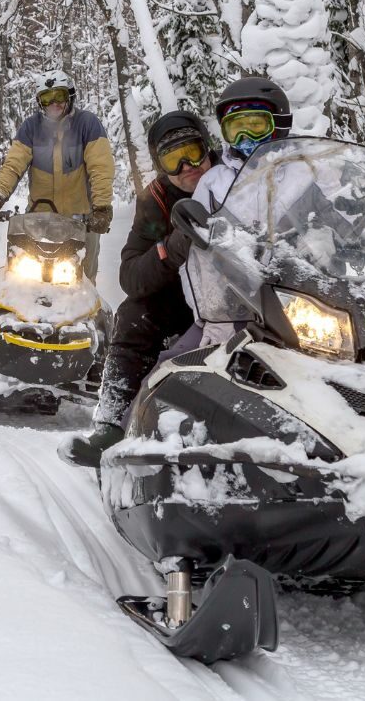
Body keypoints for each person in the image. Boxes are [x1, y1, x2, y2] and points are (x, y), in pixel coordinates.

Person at [62, 110, 218, 467]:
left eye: (193, 151)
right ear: (161, 167)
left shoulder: (235, 179)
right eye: (172, 160)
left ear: (208, 147)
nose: (187, 166)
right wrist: (172, 247)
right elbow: (131, 275)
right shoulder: (157, 199)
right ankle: (112, 424)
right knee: (134, 314)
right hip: (185, 300)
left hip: (247, 293)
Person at [179, 76, 292, 349]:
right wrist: (215, 310)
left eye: (256, 126)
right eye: (236, 128)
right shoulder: (212, 183)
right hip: (234, 311)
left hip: (299, 303)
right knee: (173, 366)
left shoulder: (304, 171)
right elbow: (195, 261)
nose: (246, 137)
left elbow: (332, 226)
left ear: (278, 124)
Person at [0, 71, 115, 280]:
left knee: (83, 283)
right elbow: (12, 167)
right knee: (22, 280)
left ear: (70, 96)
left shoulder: (87, 124)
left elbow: (100, 167)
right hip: (39, 222)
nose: (54, 104)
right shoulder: (31, 128)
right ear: (40, 102)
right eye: (47, 98)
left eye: (59, 96)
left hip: (83, 222)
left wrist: (101, 208)